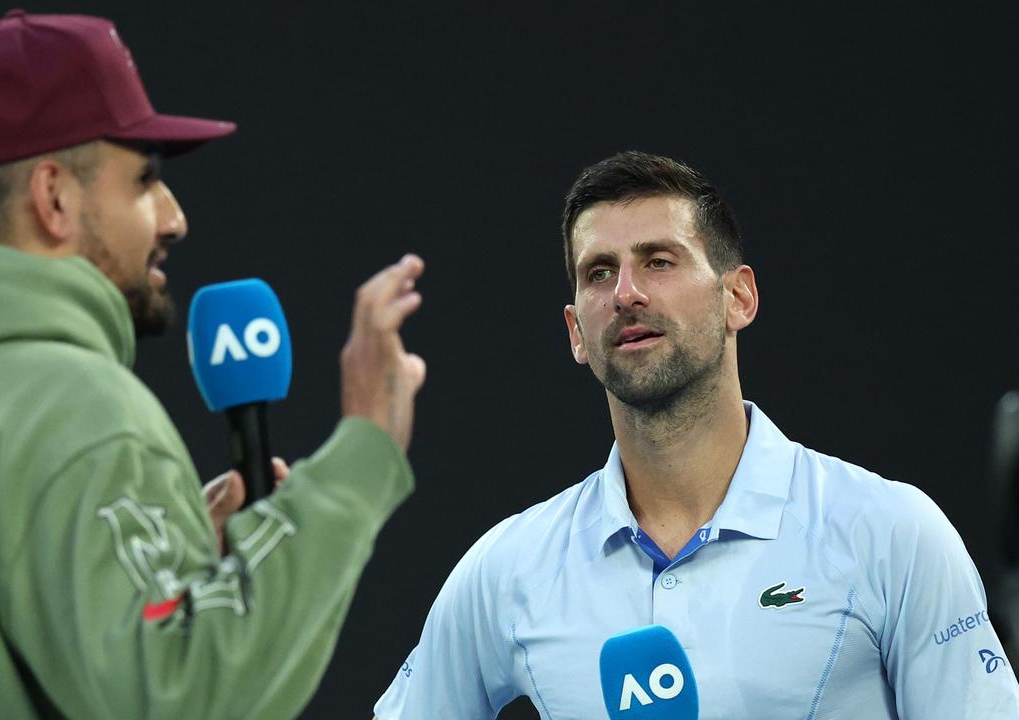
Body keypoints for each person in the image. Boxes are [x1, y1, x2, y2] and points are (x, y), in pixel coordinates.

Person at [0, 11, 427, 719]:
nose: (174, 217)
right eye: (145, 180)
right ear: (54, 197)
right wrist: (361, 455)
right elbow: (179, 694)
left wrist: (170, 567)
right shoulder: (73, 408)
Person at [373, 151, 1019, 718]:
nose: (626, 293)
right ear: (575, 331)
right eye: (599, 272)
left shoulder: (892, 532)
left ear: (738, 298)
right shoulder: (507, 568)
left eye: (659, 261)